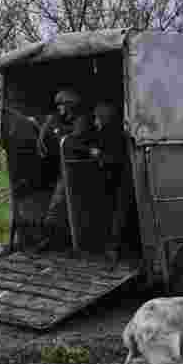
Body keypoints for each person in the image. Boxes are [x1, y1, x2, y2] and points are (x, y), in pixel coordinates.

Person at [35, 89, 87, 252]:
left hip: (77, 172)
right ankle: (58, 241)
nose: (59, 109)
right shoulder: (67, 121)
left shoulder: (81, 121)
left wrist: (57, 131)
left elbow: (71, 143)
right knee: (62, 208)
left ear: (70, 106)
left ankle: (52, 241)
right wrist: (46, 126)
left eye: (61, 105)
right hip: (68, 170)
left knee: (58, 207)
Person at [88, 101, 134, 267]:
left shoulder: (112, 134)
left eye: (97, 118)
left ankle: (113, 250)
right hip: (115, 180)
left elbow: (116, 159)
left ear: (104, 118)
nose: (95, 122)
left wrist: (99, 155)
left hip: (121, 180)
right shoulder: (109, 133)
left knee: (118, 215)